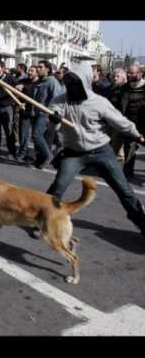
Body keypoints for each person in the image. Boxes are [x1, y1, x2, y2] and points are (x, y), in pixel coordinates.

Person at [46, 61, 145, 238]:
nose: (72, 87)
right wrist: (53, 120)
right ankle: (42, 220)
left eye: (76, 83)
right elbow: (52, 126)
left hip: (101, 151)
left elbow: (119, 121)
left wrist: (137, 134)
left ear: (85, 81)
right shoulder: (60, 100)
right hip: (73, 153)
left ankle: (142, 222)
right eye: (70, 83)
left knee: (124, 190)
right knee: (58, 187)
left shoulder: (99, 102)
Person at [31, 60, 62, 168]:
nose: (38, 69)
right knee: (38, 138)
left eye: (41, 67)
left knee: (37, 136)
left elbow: (57, 99)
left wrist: (53, 114)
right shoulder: (39, 81)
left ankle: (48, 156)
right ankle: (40, 159)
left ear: (47, 69)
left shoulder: (52, 81)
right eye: (38, 67)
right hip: (36, 112)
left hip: (45, 114)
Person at [120, 63, 145, 178]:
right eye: (128, 73)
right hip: (129, 125)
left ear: (140, 73)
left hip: (143, 126)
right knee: (129, 149)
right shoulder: (124, 88)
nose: (129, 75)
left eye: (132, 73)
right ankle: (128, 174)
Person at [16, 65, 39, 162]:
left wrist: (24, 87)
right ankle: (23, 152)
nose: (29, 72)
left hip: (37, 112)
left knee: (36, 135)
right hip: (25, 111)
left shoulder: (40, 83)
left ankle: (35, 155)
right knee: (23, 133)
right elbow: (16, 92)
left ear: (37, 72)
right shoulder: (24, 81)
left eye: (32, 71)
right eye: (29, 70)